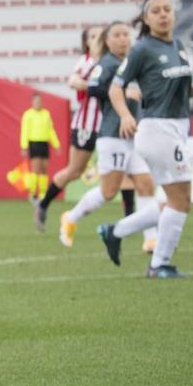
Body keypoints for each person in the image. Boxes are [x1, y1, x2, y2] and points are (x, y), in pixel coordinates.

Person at [98, 0, 193, 278]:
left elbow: (174, 88)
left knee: (171, 200)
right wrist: (127, 116)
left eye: (167, 9)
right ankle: (159, 264)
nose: (163, 14)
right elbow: (116, 88)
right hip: (157, 129)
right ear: (146, 18)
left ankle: (115, 231)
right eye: (156, 11)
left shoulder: (178, 46)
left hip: (176, 128)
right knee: (181, 201)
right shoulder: (141, 49)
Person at [56, 21, 158, 251]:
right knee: (109, 192)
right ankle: (70, 218)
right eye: (118, 35)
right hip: (112, 134)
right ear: (108, 41)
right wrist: (125, 92)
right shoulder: (107, 63)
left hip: (134, 135)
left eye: (126, 34)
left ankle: (151, 239)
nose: (123, 38)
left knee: (145, 185)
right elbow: (93, 88)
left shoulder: (131, 62)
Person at [35, 26, 104, 231]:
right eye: (93, 36)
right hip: (87, 124)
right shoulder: (87, 62)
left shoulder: (112, 60)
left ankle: (131, 221)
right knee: (74, 171)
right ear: (87, 43)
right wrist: (96, 86)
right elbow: (73, 81)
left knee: (126, 171)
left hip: (110, 124)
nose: (98, 39)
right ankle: (44, 203)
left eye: (101, 35)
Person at [19, 93, 59, 206]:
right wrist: (24, 146)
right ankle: (32, 193)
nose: (38, 103)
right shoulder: (28, 115)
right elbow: (24, 131)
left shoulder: (46, 114)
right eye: (36, 101)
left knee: (44, 169)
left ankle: (42, 193)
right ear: (32, 102)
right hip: (34, 143)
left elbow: (51, 130)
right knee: (35, 169)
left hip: (44, 143)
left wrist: (56, 144)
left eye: (40, 101)